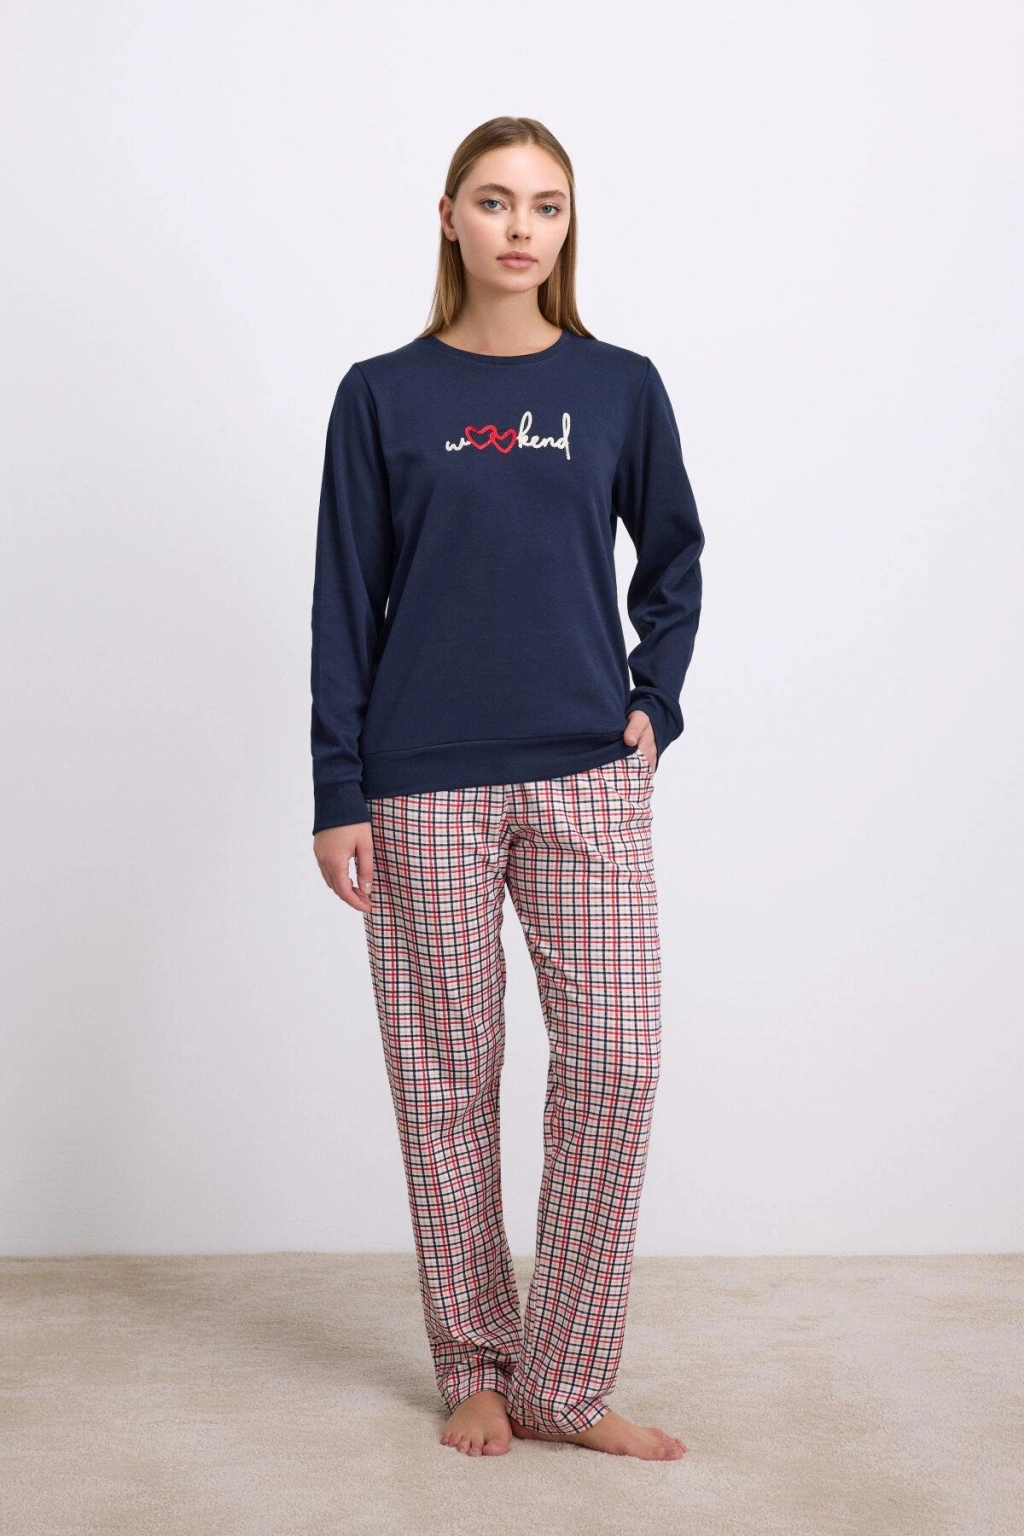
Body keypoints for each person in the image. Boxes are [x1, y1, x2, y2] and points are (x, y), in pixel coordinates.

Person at [310, 116, 704, 1462]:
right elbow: (343, 600)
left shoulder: (619, 387)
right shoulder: (381, 395)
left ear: (568, 225)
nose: (521, 227)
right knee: (444, 1077)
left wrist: (656, 701)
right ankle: (475, 1365)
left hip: (588, 773)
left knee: (616, 1060)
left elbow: (675, 561)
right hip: (419, 785)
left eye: (545, 204)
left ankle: (565, 1383)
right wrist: (338, 788)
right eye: (494, 201)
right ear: (449, 218)